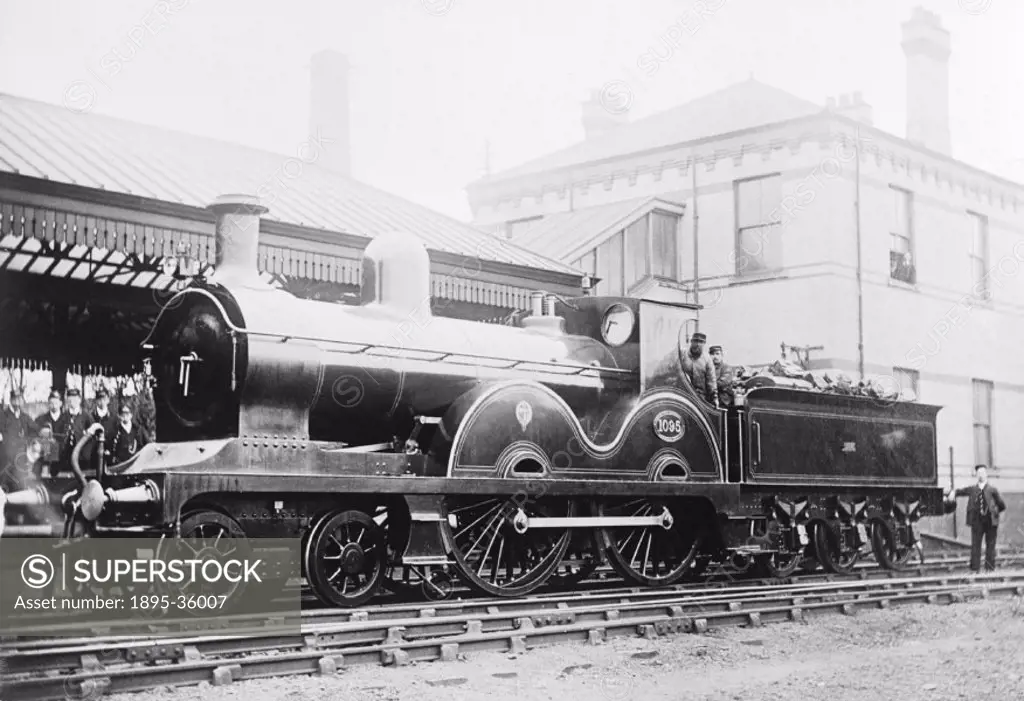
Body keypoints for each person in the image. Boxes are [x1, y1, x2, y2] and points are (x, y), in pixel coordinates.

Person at [944, 464, 1007, 572]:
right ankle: (975, 569)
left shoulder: (992, 490)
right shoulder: (972, 489)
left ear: (986, 474)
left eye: (983, 472)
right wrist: (952, 492)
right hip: (977, 521)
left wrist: (994, 512)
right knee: (975, 545)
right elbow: (960, 492)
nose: (981, 475)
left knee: (990, 546)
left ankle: (989, 569)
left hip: (990, 522)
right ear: (976, 475)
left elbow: (1002, 505)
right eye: (979, 473)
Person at [679, 331, 717, 406]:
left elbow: (711, 380)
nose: (698, 344)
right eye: (695, 341)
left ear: (704, 343)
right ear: (691, 341)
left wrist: (715, 399)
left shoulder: (707, 359)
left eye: (701, 342)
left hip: (700, 397)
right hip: (683, 395)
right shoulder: (682, 354)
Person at [0, 390, 36, 468]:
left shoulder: (25, 417)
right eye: (15, 399)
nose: (17, 402)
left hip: (23, 456)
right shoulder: (2, 416)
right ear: (10, 400)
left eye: (19, 399)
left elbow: (35, 428)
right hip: (6, 458)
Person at [34, 390, 66, 474]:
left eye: (56, 402)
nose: (54, 405)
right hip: (44, 461)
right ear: (48, 404)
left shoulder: (67, 419)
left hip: (63, 460)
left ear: (61, 403)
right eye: (51, 403)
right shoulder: (40, 420)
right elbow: (35, 436)